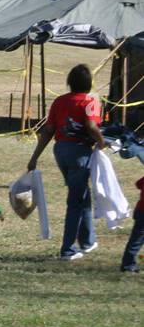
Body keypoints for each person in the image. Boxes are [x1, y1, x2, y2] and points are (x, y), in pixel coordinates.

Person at [26, 64, 107, 261]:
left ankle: (87, 241)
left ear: (70, 82)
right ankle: (68, 249)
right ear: (89, 84)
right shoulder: (91, 101)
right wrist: (102, 142)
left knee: (81, 194)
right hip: (80, 153)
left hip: (60, 150)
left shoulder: (60, 101)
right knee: (75, 201)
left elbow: (48, 130)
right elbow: (90, 126)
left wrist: (34, 157)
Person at [120, 175, 144, 273]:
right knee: (136, 241)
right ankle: (127, 265)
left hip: (140, 212)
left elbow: (138, 184)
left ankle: (128, 264)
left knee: (136, 240)